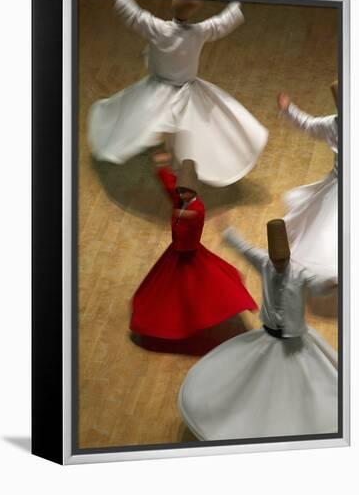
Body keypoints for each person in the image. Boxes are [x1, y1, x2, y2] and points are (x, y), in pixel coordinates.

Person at [178, 219, 338, 440]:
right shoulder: (264, 262)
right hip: (270, 337)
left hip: (295, 341)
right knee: (262, 384)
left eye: (283, 261)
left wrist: (330, 284)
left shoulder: (301, 273)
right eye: (276, 260)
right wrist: (228, 231)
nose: (279, 265)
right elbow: (245, 249)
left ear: (289, 257)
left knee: (306, 384)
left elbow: (317, 286)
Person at [88, 0, 268, 187]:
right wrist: (237, 4)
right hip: (187, 90)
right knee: (182, 125)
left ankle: (168, 159)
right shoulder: (199, 32)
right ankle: (174, 161)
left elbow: (133, 16)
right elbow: (223, 23)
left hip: (158, 90)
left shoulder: (158, 28)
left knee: (143, 118)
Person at [130, 152, 258, 339]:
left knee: (192, 291)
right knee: (171, 292)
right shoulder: (181, 199)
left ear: (194, 191)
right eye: (180, 191)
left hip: (188, 255)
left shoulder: (197, 210)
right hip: (176, 254)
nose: (182, 194)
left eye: (185, 191)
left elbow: (193, 220)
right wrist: (162, 168)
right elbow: (169, 185)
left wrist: (183, 215)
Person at [277, 81, 338, 278]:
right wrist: (289, 109)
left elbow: (307, 124)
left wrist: (289, 109)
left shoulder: (331, 123)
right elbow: (308, 124)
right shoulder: (332, 124)